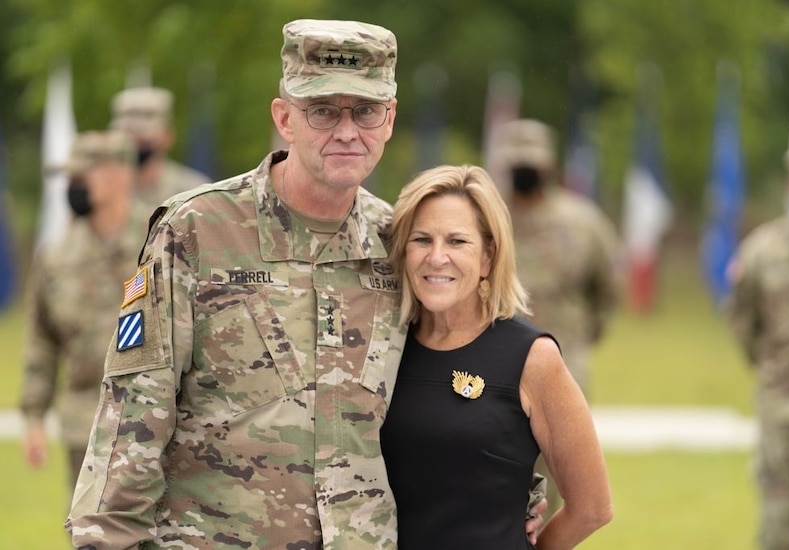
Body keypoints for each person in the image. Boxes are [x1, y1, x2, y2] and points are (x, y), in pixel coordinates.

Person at [65, 20, 546, 549]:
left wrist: (513, 489)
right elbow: (133, 413)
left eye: (365, 111)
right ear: (284, 118)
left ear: (389, 119)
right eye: (322, 110)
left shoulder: (401, 244)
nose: (346, 131)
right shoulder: (196, 230)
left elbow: (462, 366)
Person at [381, 164, 613, 549]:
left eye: (457, 242)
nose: (436, 257)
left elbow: (592, 506)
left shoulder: (531, 358)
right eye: (422, 240)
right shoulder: (380, 349)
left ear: (488, 257)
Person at [497, 118, 623, 512]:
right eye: (518, 163)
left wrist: (583, 338)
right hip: (496, 369)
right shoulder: (488, 219)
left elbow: (607, 289)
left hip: (566, 368)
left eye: (531, 163)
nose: (525, 172)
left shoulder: (582, 223)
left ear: (549, 165)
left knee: (558, 485)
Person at [19, 130, 142, 494]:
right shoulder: (57, 258)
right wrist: (34, 417)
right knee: (89, 533)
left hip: (153, 420)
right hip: (83, 423)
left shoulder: (158, 245)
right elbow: (41, 340)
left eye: (80, 178)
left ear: (117, 176)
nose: (72, 188)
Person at [725, 145, 789, 550]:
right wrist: (769, 364)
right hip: (784, 404)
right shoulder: (763, 250)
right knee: (778, 526)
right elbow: (741, 318)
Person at [109, 85, 210, 208]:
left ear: (168, 136)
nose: (134, 148)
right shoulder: (101, 190)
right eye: (128, 140)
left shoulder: (193, 191)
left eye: (143, 141)